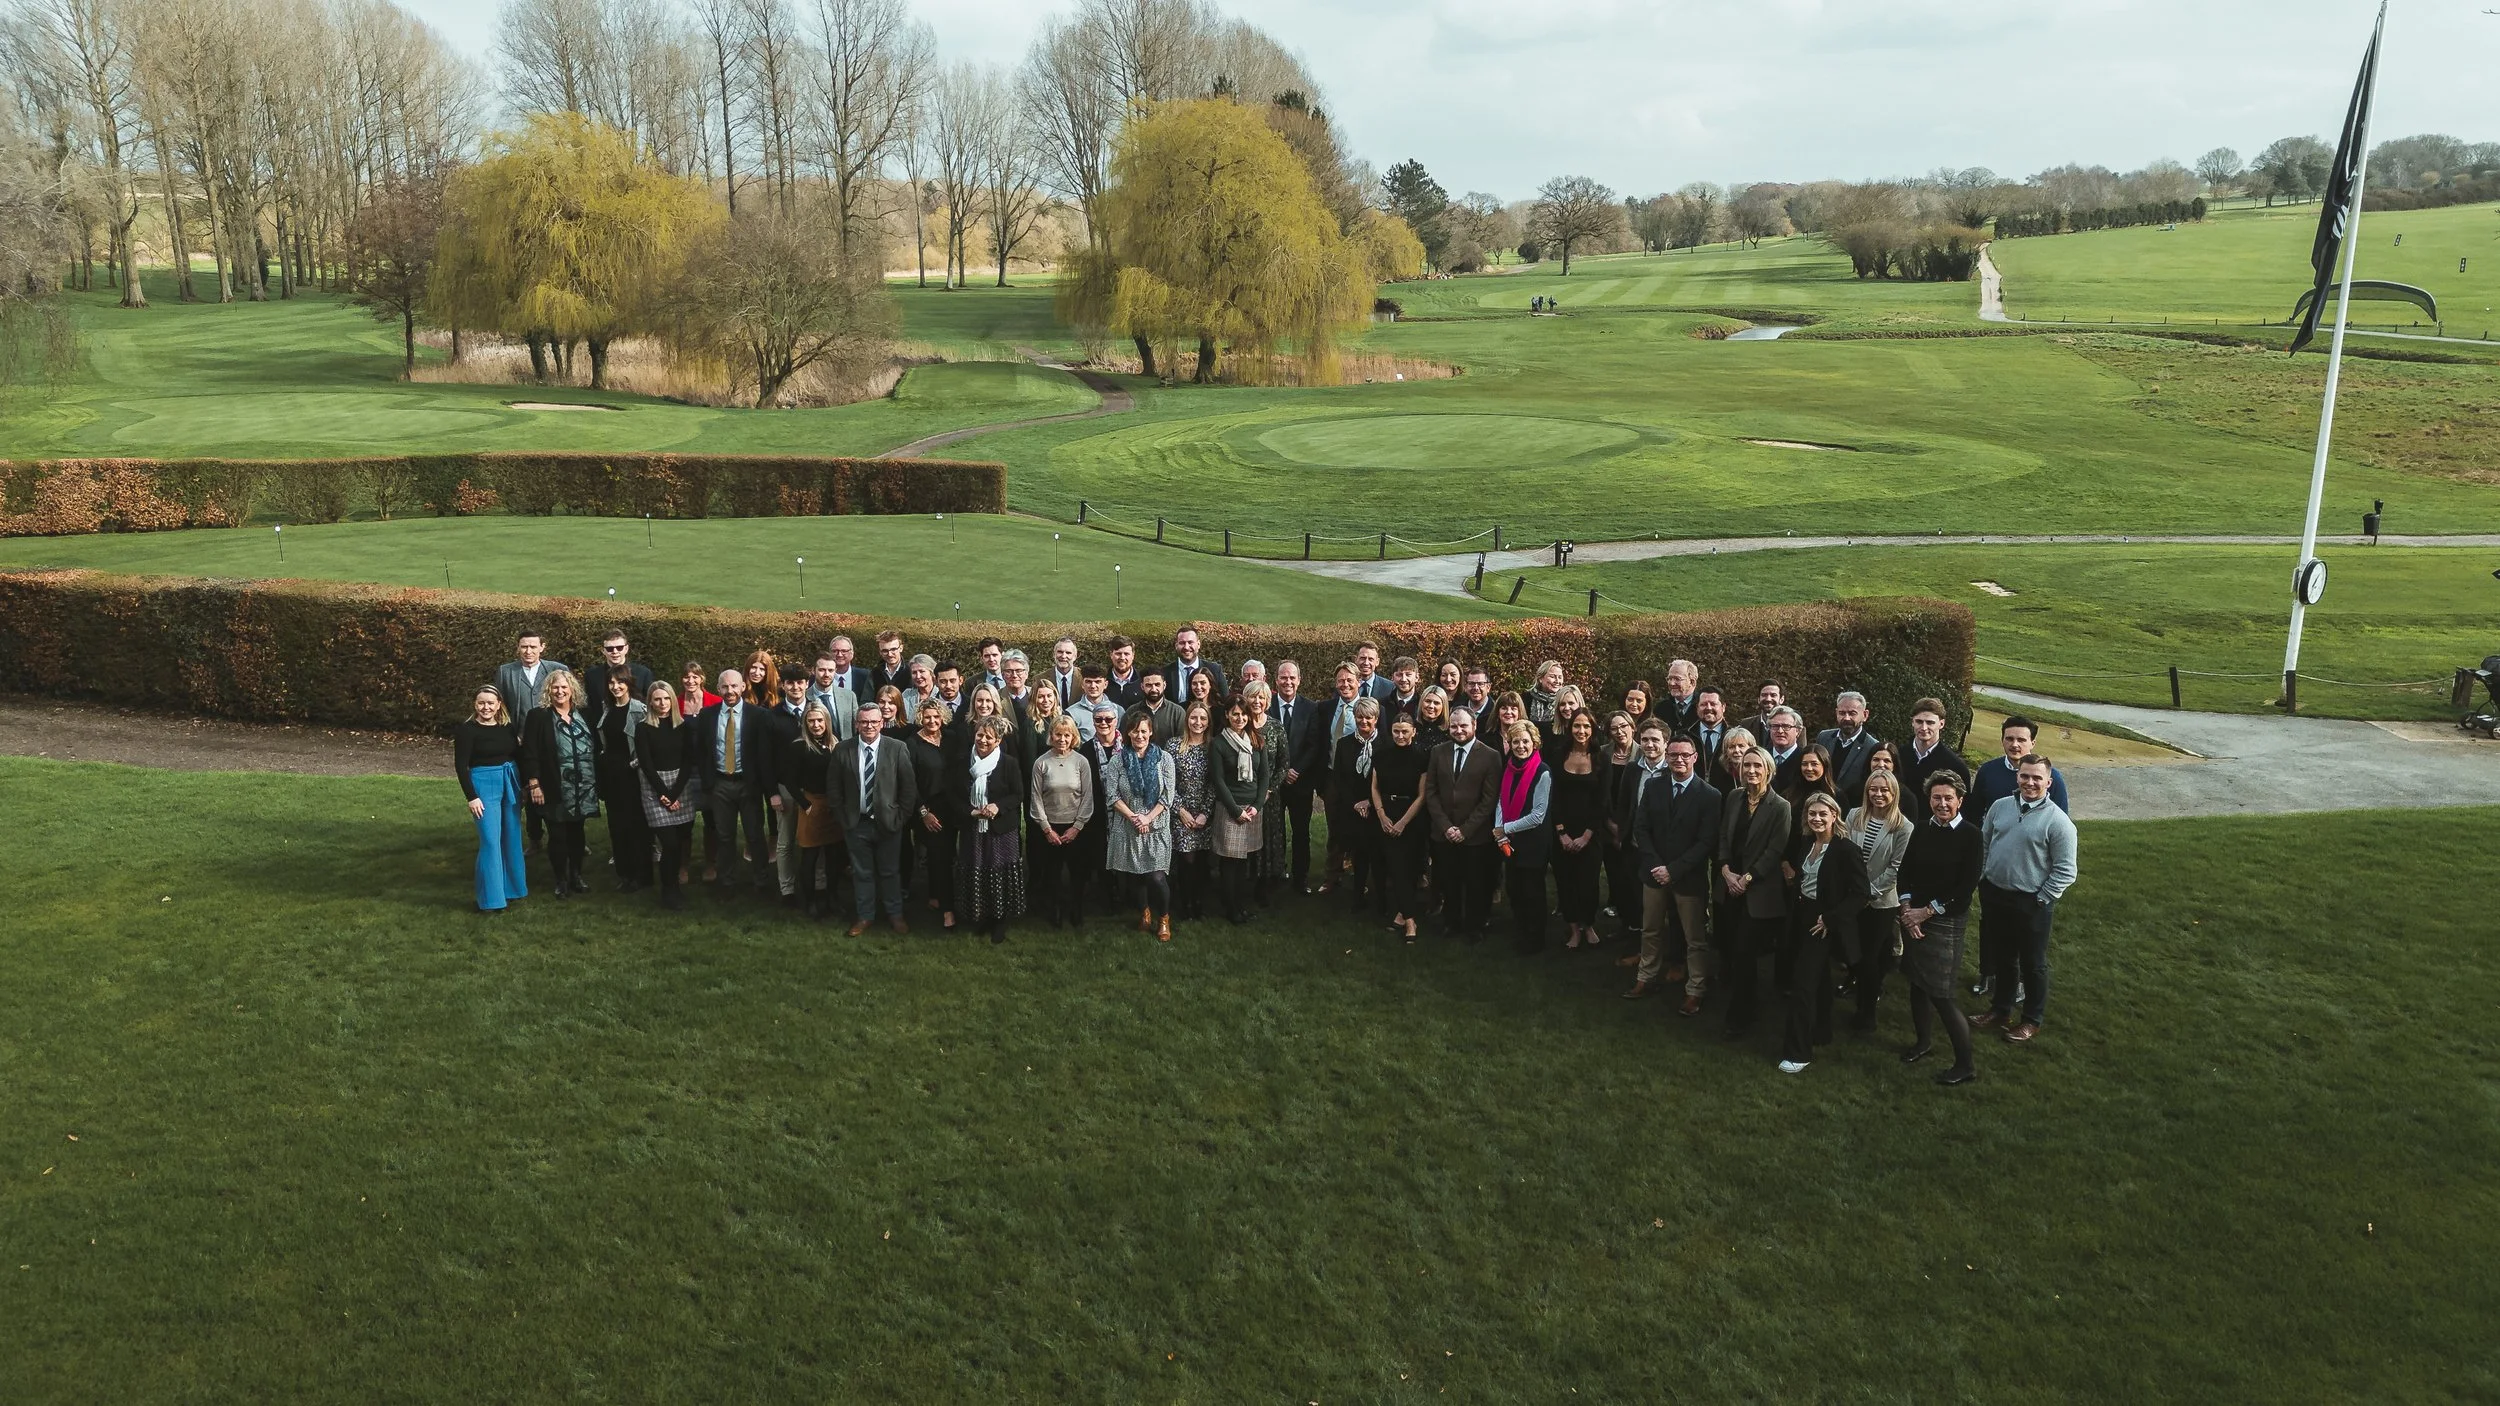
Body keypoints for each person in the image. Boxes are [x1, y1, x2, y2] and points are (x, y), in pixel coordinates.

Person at [1975, 755, 2079, 1043]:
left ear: (2049, 782)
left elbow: (2066, 870)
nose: (2030, 783)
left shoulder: (2058, 822)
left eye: (2037, 778)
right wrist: (1983, 877)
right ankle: (2000, 1010)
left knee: (2033, 964)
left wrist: (2042, 898)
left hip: (2032, 902)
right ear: (2017, 777)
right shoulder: (1999, 807)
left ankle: (2031, 1019)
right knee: (2003, 958)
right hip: (1995, 894)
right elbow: (1984, 844)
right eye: (2025, 776)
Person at [1896, 771, 1985, 1085]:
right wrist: (1907, 909)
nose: (1942, 803)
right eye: (1937, 798)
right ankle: (1923, 1043)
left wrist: (1925, 912)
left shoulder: (1972, 835)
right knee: (1917, 985)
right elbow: (1905, 873)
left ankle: (1965, 1065)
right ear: (1928, 799)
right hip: (1914, 918)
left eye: (1949, 798)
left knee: (1942, 995)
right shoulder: (1920, 830)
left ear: (1960, 800)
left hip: (1945, 920)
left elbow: (1964, 888)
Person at [1632, 731, 1722, 1016]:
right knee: (1651, 929)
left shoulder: (1710, 795)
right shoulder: (1654, 787)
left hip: (1688, 877)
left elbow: (1706, 842)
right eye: (1673, 755)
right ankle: (1645, 978)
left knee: (1694, 937)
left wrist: (1674, 870)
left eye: (1685, 755)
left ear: (1695, 757)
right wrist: (1657, 866)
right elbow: (1641, 828)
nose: (1679, 759)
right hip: (1654, 873)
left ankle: (1695, 990)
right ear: (1666, 757)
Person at [1780, 792, 1866, 1074]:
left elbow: (1860, 893)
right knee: (1818, 982)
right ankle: (1822, 1032)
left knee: (1803, 985)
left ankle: (1798, 1053)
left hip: (1824, 923)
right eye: (1811, 814)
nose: (1816, 819)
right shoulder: (1807, 843)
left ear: (1834, 816)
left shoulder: (1846, 850)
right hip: (1802, 917)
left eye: (1822, 814)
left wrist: (1830, 918)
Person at [1717, 747, 1791, 1042]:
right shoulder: (1734, 797)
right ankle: (1740, 999)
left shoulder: (1780, 806)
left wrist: (1746, 879)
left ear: (1768, 770)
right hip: (1729, 884)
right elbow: (1723, 835)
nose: (1751, 771)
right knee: (1731, 947)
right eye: (1746, 766)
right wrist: (1725, 871)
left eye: (1757, 766)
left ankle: (1741, 1015)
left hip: (1758, 890)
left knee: (1746, 951)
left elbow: (1775, 850)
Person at [834, 701, 919, 936]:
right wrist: (843, 818)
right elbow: (834, 789)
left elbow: (908, 789)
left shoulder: (897, 748)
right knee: (862, 872)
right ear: (856, 724)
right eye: (864, 722)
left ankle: (895, 915)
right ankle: (865, 916)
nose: (869, 726)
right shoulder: (843, 749)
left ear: (882, 723)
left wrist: (899, 818)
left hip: (888, 823)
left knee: (890, 871)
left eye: (873, 721)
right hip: (856, 823)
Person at [1842, 770, 1915, 1032]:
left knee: (1870, 959)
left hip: (1881, 903)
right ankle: (1857, 1000)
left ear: (1894, 793)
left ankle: (1867, 1013)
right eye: (1873, 789)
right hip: (1852, 898)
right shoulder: (1853, 816)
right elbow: (1846, 856)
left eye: (1884, 790)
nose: (1878, 794)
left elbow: (1895, 869)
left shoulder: (1903, 826)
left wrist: (1867, 893)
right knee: (1854, 956)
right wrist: (1854, 892)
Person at [520, 667, 599, 898]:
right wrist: (534, 783)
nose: (560, 691)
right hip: (553, 785)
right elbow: (530, 752)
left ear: (572, 690)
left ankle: (576, 876)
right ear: (548, 690)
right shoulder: (539, 716)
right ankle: (561, 880)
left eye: (564, 687)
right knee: (558, 835)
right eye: (555, 687)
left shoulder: (585, 714)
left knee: (577, 833)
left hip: (583, 786)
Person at [695, 668, 775, 899]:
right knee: (724, 835)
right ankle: (726, 882)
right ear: (718, 689)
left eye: (734, 686)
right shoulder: (707, 715)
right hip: (720, 783)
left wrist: (763, 786)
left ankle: (761, 881)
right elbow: (701, 750)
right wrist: (708, 780)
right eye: (725, 687)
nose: (730, 691)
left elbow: (764, 754)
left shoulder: (758, 716)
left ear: (742, 687)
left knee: (754, 834)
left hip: (748, 784)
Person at [1425, 707, 1502, 940]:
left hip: (1475, 834)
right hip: (1444, 832)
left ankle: (1474, 926)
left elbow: (1489, 800)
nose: (1458, 730)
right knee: (1449, 880)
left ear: (1474, 726)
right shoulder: (1438, 752)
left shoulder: (1490, 755)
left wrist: (1465, 830)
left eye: (1463, 726)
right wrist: (1446, 826)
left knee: (1476, 882)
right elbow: (1431, 792)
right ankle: (1451, 922)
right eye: (1454, 726)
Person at [951, 717, 1026, 944]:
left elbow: (1018, 794)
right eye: (980, 735)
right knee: (978, 870)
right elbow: (953, 795)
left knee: (999, 873)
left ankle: (1000, 921)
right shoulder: (963, 761)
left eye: (989, 737)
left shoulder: (1009, 763)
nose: (983, 740)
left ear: (999, 740)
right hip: (973, 828)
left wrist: (998, 806)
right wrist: (971, 812)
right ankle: (982, 915)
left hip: (1001, 830)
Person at [1104, 707, 1178, 941]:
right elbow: (1112, 795)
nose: (1139, 736)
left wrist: (1147, 817)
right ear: (1128, 734)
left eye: (1144, 731)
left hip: (1156, 826)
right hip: (1127, 827)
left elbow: (1168, 796)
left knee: (1156, 876)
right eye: (1135, 732)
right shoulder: (1118, 760)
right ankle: (1145, 913)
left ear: (1151, 733)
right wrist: (1134, 817)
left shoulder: (1164, 758)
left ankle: (1164, 918)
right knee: (1136, 875)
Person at [455, 684, 527, 914]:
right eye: (481, 703)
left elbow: (517, 755)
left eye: (490, 703)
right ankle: (491, 899)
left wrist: (524, 784)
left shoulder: (507, 727)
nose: (486, 707)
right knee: (490, 840)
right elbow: (461, 766)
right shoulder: (467, 730)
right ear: (475, 705)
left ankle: (513, 890)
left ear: (498, 705)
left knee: (511, 836)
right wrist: (472, 797)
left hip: (510, 781)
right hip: (483, 786)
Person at [634, 681, 701, 911]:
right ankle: (668, 890)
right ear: (650, 702)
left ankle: (676, 887)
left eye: (666, 699)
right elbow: (646, 763)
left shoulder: (682, 726)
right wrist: (664, 794)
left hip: (680, 787)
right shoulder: (643, 728)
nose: (662, 704)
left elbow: (688, 761)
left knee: (681, 841)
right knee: (669, 843)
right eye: (657, 699)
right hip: (654, 787)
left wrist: (674, 793)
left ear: (672, 700)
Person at [1027, 715, 1096, 928]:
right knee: (1052, 874)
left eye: (1067, 735)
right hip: (1050, 828)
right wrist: (1047, 829)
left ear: (1073, 736)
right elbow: (1036, 798)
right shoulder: (1041, 763)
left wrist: (1077, 827)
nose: (1062, 739)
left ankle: (1077, 910)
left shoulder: (1081, 762)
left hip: (1075, 827)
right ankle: (1054, 911)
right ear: (1051, 735)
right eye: (1058, 734)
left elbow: (1087, 797)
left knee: (1078, 874)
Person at [1208, 698, 1271, 924]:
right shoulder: (1218, 744)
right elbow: (1218, 780)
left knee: (1243, 860)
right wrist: (1235, 811)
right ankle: (1231, 908)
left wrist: (1256, 806)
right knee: (1229, 862)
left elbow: (1264, 776)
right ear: (1227, 715)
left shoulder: (1257, 741)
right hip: (1230, 808)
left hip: (1253, 809)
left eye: (1243, 714)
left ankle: (1241, 905)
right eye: (1235, 714)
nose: (1240, 719)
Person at [1370, 712, 1430, 942]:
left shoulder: (1421, 757)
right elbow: (1374, 787)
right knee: (1395, 867)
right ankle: (1410, 920)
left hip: (1412, 817)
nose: (1400, 735)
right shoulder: (1382, 754)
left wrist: (1403, 822)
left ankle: (1403, 916)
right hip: (1386, 813)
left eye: (1405, 731)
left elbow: (1422, 794)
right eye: (1396, 731)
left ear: (1414, 732)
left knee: (1409, 868)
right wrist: (1382, 815)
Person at [1493, 721, 1553, 954]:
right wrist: (1500, 831)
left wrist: (1505, 828)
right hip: (1510, 839)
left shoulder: (1542, 771)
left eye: (1525, 741)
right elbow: (1500, 800)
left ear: (1534, 743)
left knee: (1532, 892)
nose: (1520, 746)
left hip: (1533, 841)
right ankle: (1521, 931)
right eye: (1515, 741)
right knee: (1514, 889)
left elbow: (1538, 815)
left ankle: (1535, 939)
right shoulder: (1508, 767)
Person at [1548, 710, 1606, 949]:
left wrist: (1586, 836)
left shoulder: (1601, 758)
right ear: (1570, 728)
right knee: (1566, 882)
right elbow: (1555, 797)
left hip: (1591, 832)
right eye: (1576, 726)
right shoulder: (1558, 755)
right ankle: (1573, 928)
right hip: (1562, 830)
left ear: (1592, 730)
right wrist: (1562, 833)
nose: (1581, 731)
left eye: (1586, 727)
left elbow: (1602, 801)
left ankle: (1588, 924)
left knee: (1588, 883)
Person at [593, 667, 650, 893]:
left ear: (629, 683)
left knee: (636, 825)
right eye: (611, 683)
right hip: (611, 775)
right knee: (616, 826)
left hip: (632, 775)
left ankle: (641, 874)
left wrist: (633, 765)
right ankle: (624, 874)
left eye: (620, 682)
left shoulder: (639, 709)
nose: (616, 687)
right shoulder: (607, 708)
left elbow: (646, 746)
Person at [1273, 660, 1325, 893]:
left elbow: (1314, 745)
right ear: (1276, 680)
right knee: (1275, 831)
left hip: (1300, 781)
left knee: (1301, 831)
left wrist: (1297, 770)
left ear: (1299, 680)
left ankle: (1300, 877)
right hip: (1274, 782)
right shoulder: (1266, 705)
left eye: (1292, 677)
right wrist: (1281, 772)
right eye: (1283, 677)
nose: (1288, 682)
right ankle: (1275, 872)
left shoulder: (1311, 707)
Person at [1329, 698, 1382, 914]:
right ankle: (1358, 896)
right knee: (1359, 855)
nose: (1363, 721)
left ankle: (1381, 899)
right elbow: (1340, 779)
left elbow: (1387, 780)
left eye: (1368, 717)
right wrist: (1355, 803)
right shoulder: (1344, 744)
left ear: (1376, 719)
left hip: (1378, 808)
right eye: (1359, 716)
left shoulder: (1386, 744)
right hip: (1353, 809)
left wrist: (1370, 802)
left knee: (1378, 855)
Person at [766, 673, 815, 905]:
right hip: (785, 788)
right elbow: (764, 757)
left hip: (813, 787)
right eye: (790, 683)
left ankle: (818, 886)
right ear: (783, 685)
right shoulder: (773, 715)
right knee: (785, 841)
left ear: (807, 684)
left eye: (800, 682)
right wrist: (772, 792)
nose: (796, 687)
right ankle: (787, 889)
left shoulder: (817, 711)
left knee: (816, 838)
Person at [905, 700, 955, 929]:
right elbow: (910, 783)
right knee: (940, 857)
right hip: (928, 810)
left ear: (942, 716)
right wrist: (924, 812)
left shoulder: (952, 739)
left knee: (946, 856)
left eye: (936, 717)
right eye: (927, 717)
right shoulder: (912, 744)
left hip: (953, 807)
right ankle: (948, 910)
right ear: (920, 718)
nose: (932, 721)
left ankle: (935, 896)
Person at [1242, 681, 1290, 904]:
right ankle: (1245, 883)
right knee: (1245, 838)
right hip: (1243, 794)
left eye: (1261, 697)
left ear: (1267, 701)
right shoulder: (1239, 725)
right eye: (1252, 697)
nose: (1257, 702)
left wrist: (1270, 789)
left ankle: (1267, 884)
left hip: (1269, 796)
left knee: (1268, 838)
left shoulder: (1275, 727)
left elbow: (1283, 763)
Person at [792, 702, 841, 919]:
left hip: (833, 805)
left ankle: (832, 899)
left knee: (834, 858)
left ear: (826, 721)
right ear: (805, 723)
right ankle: (809, 902)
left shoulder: (835, 744)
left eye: (820, 720)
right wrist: (805, 805)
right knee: (809, 856)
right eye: (811, 720)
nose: (816, 724)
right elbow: (789, 780)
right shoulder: (799, 746)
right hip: (811, 803)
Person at [1170, 701, 1217, 921]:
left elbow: (1214, 784)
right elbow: (1167, 783)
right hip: (1181, 813)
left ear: (1208, 722)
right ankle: (1185, 904)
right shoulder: (1173, 746)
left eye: (1202, 718)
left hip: (1205, 813)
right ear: (1187, 719)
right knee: (1186, 860)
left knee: (1201, 861)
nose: (1198, 722)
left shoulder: (1214, 747)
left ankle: (1199, 903)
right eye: (1193, 718)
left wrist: (1205, 813)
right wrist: (1181, 811)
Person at [1970, 714, 2071, 815]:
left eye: (2021, 740)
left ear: (2033, 743)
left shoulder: (2050, 776)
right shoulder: (1988, 770)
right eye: (2009, 739)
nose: (2014, 745)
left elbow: (2061, 819)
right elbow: (1974, 813)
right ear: (2002, 740)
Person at [1600, 710, 1641, 937]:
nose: (1619, 731)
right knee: (1615, 878)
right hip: (1608, 824)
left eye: (1624, 726)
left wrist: (1624, 830)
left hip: (1634, 828)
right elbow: (1599, 792)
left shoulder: (1643, 753)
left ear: (1633, 727)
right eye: (1614, 728)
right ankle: (1624, 924)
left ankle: (1638, 925)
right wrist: (1610, 825)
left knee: (1633, 879)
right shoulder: (1603, 754)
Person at [1900, 697, 1969, 824]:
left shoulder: (1955, 766)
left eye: (1930, 722)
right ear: (1912, 722)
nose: (1924, 727)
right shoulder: (1898, 756)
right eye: (1919, 721)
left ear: (1941, 724)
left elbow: (1964, 811)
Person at [1816, 691, 1883, 809]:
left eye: (1852, 713)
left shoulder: (1872, 747)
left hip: (1852, 809)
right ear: (1836, 713)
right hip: (1821, 807)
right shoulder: (1824, 738)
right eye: (1842, 713)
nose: (1846, 718)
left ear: (1865, 715)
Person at [585, 632, 655, 728]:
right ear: (603, 650)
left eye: (619, 647)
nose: (615, 651)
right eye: (609, 649)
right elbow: (591, 708)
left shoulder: (643, 673)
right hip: (604, 733)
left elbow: (650, 706)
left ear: (626, 648)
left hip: (637, 731)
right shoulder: (592, 676)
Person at [803, 652, 859, 742]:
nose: (826, 674)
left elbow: (857, 727)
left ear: (835, 671)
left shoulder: (849, 696)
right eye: (822, 670)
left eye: (830, 670)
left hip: (845, 752)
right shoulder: (803, 698)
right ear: (813, 670)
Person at [1165, 626, 1228, 705]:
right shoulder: (1165, 673)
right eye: (1182, 643)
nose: (1186, 647)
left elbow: (1225, 701)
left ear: (1198, 644)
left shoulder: (1214, 670)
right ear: (1176, 646)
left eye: (1190, 642)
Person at [1135, 669, 1184, 745]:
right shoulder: (1132, 712)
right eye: (1149, 685)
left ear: (1164, 685)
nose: (1154, 689)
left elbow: (1182, 742)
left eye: (1157, 685)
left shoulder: (1177, 712)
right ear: (1142, 686)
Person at [1658, 659, 1700, 735]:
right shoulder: (1661, 708)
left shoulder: (1703, 707)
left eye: (1677, 679)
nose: (1671, 683)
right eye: (1669, 679)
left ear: (1692, 682)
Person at [1524, 660, 1564, 732]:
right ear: (1540, 678)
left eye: (1560, 677)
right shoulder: (1525, 698)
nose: (1557, 681)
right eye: (1552, 677)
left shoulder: (1564, 700)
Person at [1744, 682, 1788, 748]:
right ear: (1758, 699)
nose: (1768, 699)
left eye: (1773, 695)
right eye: (1764, 695)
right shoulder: (1746, 725)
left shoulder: (1794, 726)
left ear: (1781, 699)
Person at [1104, 635, 1142, 706]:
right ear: (1111, 655)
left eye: (1126, 654)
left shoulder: (1142, 680)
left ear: (1133, 656)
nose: (1122, 657)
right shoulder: (1102, 680)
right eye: (1118, 653)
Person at [1045, 636, 1081, 710]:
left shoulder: (1084, 678)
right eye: (1060, 652)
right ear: (1054, 654)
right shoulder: (1041, 678)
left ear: (1075, 656)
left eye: (1068, 653)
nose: (1063, 656)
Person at [869, 630, 908, 695]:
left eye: (893, 649)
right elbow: (867, 700)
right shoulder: (875, 673)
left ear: (901, 648)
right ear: (880, 652)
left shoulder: (910, 672)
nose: (889, 654)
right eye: (885, 651)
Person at [1414, 686, 1450, 755]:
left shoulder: (1449, 732)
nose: (1431, 706)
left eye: (1436, 703)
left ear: (1443, 706)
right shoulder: (1412, 727)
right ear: (1421, 702)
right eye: (1428, 701)